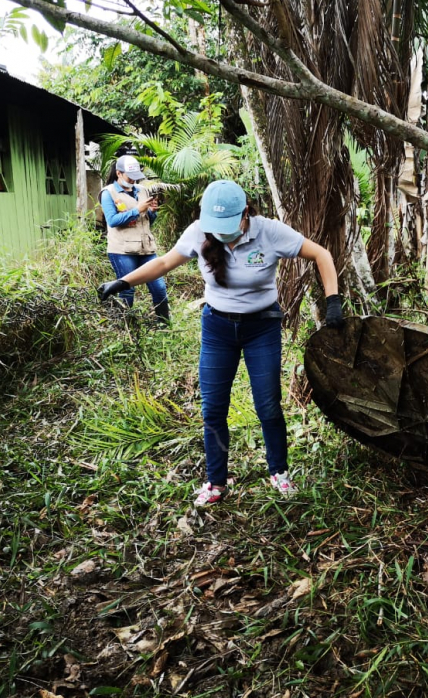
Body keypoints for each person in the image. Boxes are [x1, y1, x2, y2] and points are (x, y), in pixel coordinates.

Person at [97, 180, 344, 505]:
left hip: (262, 327)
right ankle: (216, 482)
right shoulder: (200, 231)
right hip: (217, 329)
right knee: (213, 408)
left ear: (245, 213)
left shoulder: (269, 231)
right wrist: (121, 281)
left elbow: (321, 254)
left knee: (268, 406)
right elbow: (164, 262)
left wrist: (333, 301)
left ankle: (279, 473)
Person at [100, 154, 170, 326]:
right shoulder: (108, 193)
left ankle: (164, 325)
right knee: (127, 290)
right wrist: (137, 210)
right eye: (130, 177)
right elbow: (112, 221)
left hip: (146, 248)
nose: (133, 180)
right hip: (122, 250)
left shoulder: (142, 190)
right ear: (119, 173)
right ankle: (125, 328)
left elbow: (147, 222)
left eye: (136, 177)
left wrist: (152, 212)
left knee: (159, 287)